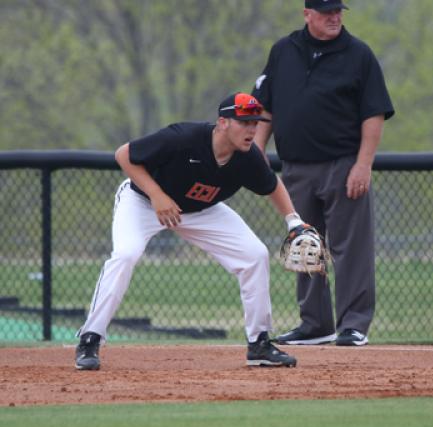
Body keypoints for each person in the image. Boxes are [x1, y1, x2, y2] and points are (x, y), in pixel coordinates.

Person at [75, 92, 307, 370]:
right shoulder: (183, 137)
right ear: (223, 122)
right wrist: (157, 195)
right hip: (143, 202)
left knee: (255, 255)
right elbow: (124, 155)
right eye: (244, 122)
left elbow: (272, 186)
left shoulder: (248, 156)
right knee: (125, 255)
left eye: (255, 123)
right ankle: (90, 337)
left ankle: (258, 343)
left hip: (202, 211)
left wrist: (294, 221)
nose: (252, 129)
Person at [252, 0, 394, 347]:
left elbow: (373, 114)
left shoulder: (358, 54)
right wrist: (255, 151)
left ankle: (354, 324)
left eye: (338, 11)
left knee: (350, 248)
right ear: (307, 14)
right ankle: (315, 324)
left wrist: (363, 164)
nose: (334, 17)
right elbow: (265, 107)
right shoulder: (284, 51)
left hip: (343, 165)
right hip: (296, 167)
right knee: (305, 245)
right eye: (326, 11)